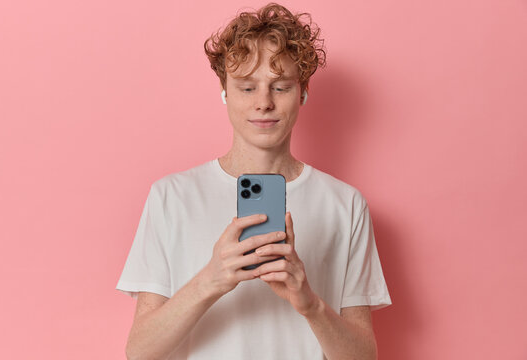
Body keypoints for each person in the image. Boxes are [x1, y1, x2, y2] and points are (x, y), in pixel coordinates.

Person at [116, 3, 392, 359]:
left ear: (303, 92)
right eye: (247, 88)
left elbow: (363, 356)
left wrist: (309, 303)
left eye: (281, 87)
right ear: (225, 93)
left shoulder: (346, 204)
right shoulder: (171, 196)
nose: (264, 103)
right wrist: (211, 280)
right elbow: (140, 352)